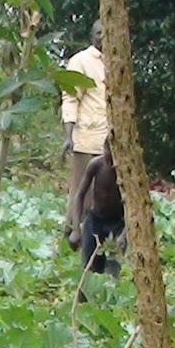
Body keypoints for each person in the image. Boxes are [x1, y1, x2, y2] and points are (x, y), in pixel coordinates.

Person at [60, 19, 108, 250]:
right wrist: (69, 135)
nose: (103, 37)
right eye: (99, 32)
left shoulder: (117, 60)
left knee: (105, 189)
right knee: (82, 188)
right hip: (87, 137)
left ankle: (100, 234)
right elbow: (70, 98)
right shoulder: (80, 61)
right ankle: (73, 231)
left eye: (107, 32)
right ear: (92, 35)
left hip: (110, 140)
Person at [70, 137, 124, 278]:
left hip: (117, 223)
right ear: (104, 150)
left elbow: (134, 208)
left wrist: (124, 234)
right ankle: (84, 298)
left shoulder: (126, 171)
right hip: (94, 220)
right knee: (88, 267)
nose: (111, 162)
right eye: (108, 155)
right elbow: (79, 196)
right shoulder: (96, 165)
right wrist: (76, 229)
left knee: (113, 268)